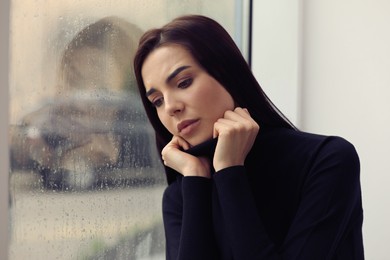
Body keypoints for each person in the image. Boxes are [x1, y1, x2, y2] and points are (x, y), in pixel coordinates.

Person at [133, 15, 364, 259]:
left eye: (184, 82)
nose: (170, 108)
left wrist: (229, 169)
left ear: (226, 73)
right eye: (157, 101)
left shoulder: (327, 160)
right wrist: (195, 177)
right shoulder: (184, 192)